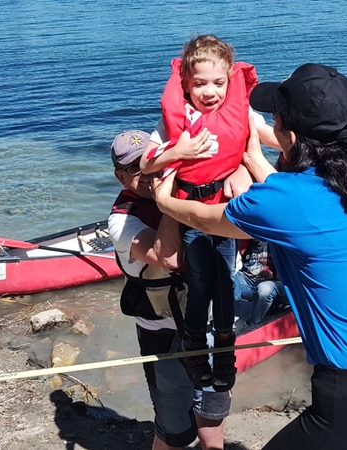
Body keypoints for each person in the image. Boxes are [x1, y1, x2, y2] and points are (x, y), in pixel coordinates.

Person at [152, 63, 347, 450]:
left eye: (275, 118)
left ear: (288, 134)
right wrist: (254, 158)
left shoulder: (286, 200)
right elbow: (308, 206)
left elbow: (204, 218)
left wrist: (164, 200)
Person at [139, 35, 275, 392]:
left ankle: (226, 346)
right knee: (200, 284)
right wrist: (177, 151)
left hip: (226, 213)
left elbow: (266, 134)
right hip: (192, 214)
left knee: (226, 281)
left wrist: (309, 140)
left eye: (218, 83)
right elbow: (146, 163)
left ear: (230, 80)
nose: (210, 92)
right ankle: (195, 346)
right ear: (186, 82)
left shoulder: (241, 111)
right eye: (199, 84)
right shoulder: (176, 120)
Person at [107, 130, 230, 450]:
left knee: (212, 419)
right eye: (135, 169)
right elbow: (169, 257)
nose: (148, 173)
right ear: (120, 177)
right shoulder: (121, 222)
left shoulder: (190, 191)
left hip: (209, 327)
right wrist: (168, 198)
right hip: (163, 334)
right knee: (176, 432)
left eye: (151, 162)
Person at [234, 239, 286, 326]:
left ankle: (252, 325)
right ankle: (225, 321)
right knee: (226, 279)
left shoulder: (275, 242)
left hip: (272, 283)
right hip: (247, 281)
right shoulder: (244, 241)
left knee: (264, 289)